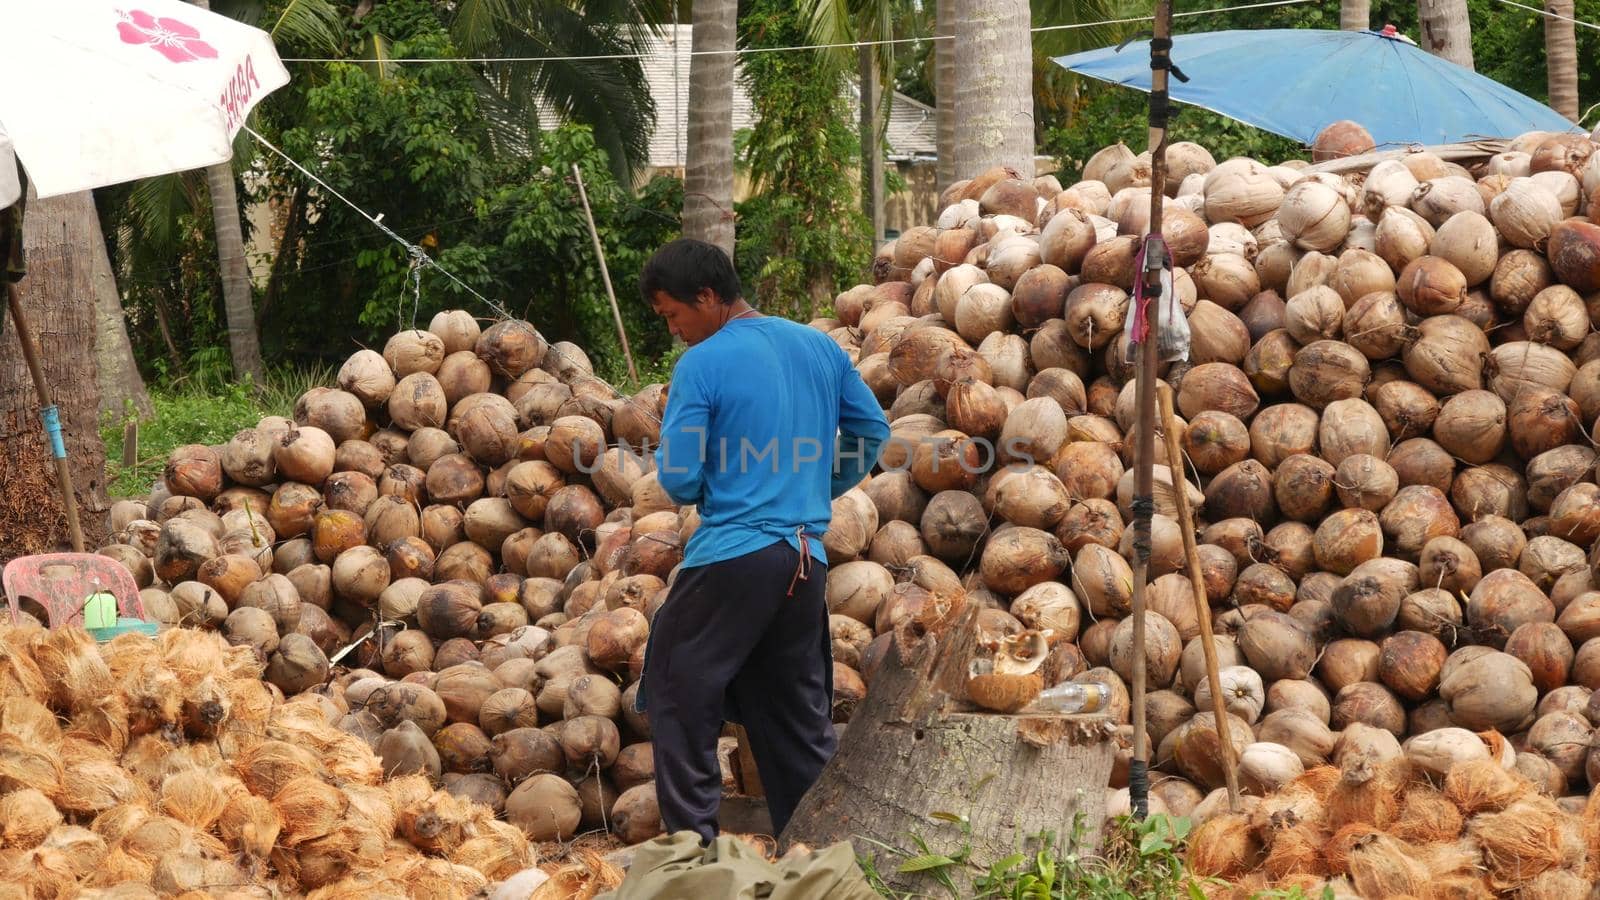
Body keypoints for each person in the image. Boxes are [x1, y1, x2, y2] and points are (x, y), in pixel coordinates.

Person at [634, 237, 891, 845]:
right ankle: (816, 858)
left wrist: (713, 482)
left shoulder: (702, 363)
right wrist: (819, 483)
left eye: (673, 315)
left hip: (733, 559)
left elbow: (676, 477)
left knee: (675, 689)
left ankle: (691, 855)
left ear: (707, 296)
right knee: (793, 717)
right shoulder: (818, 346)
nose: (674, 331)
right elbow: (871, 429)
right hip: (804, 561)